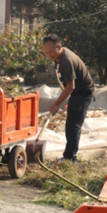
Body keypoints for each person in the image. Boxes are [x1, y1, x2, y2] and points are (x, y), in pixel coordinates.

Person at [42, 34, 95, 162]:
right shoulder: (59, 56)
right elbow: (67, 85)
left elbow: (71, 86)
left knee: (73, 126)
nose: (49, 55)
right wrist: (69, 100)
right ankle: (69, 155)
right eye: (46, 52)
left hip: (83, 93)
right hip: (76, 93)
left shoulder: (66, 60)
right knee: (70, 125)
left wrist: (56, 104)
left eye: (50, 51)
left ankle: (71, 157)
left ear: (59, 47)